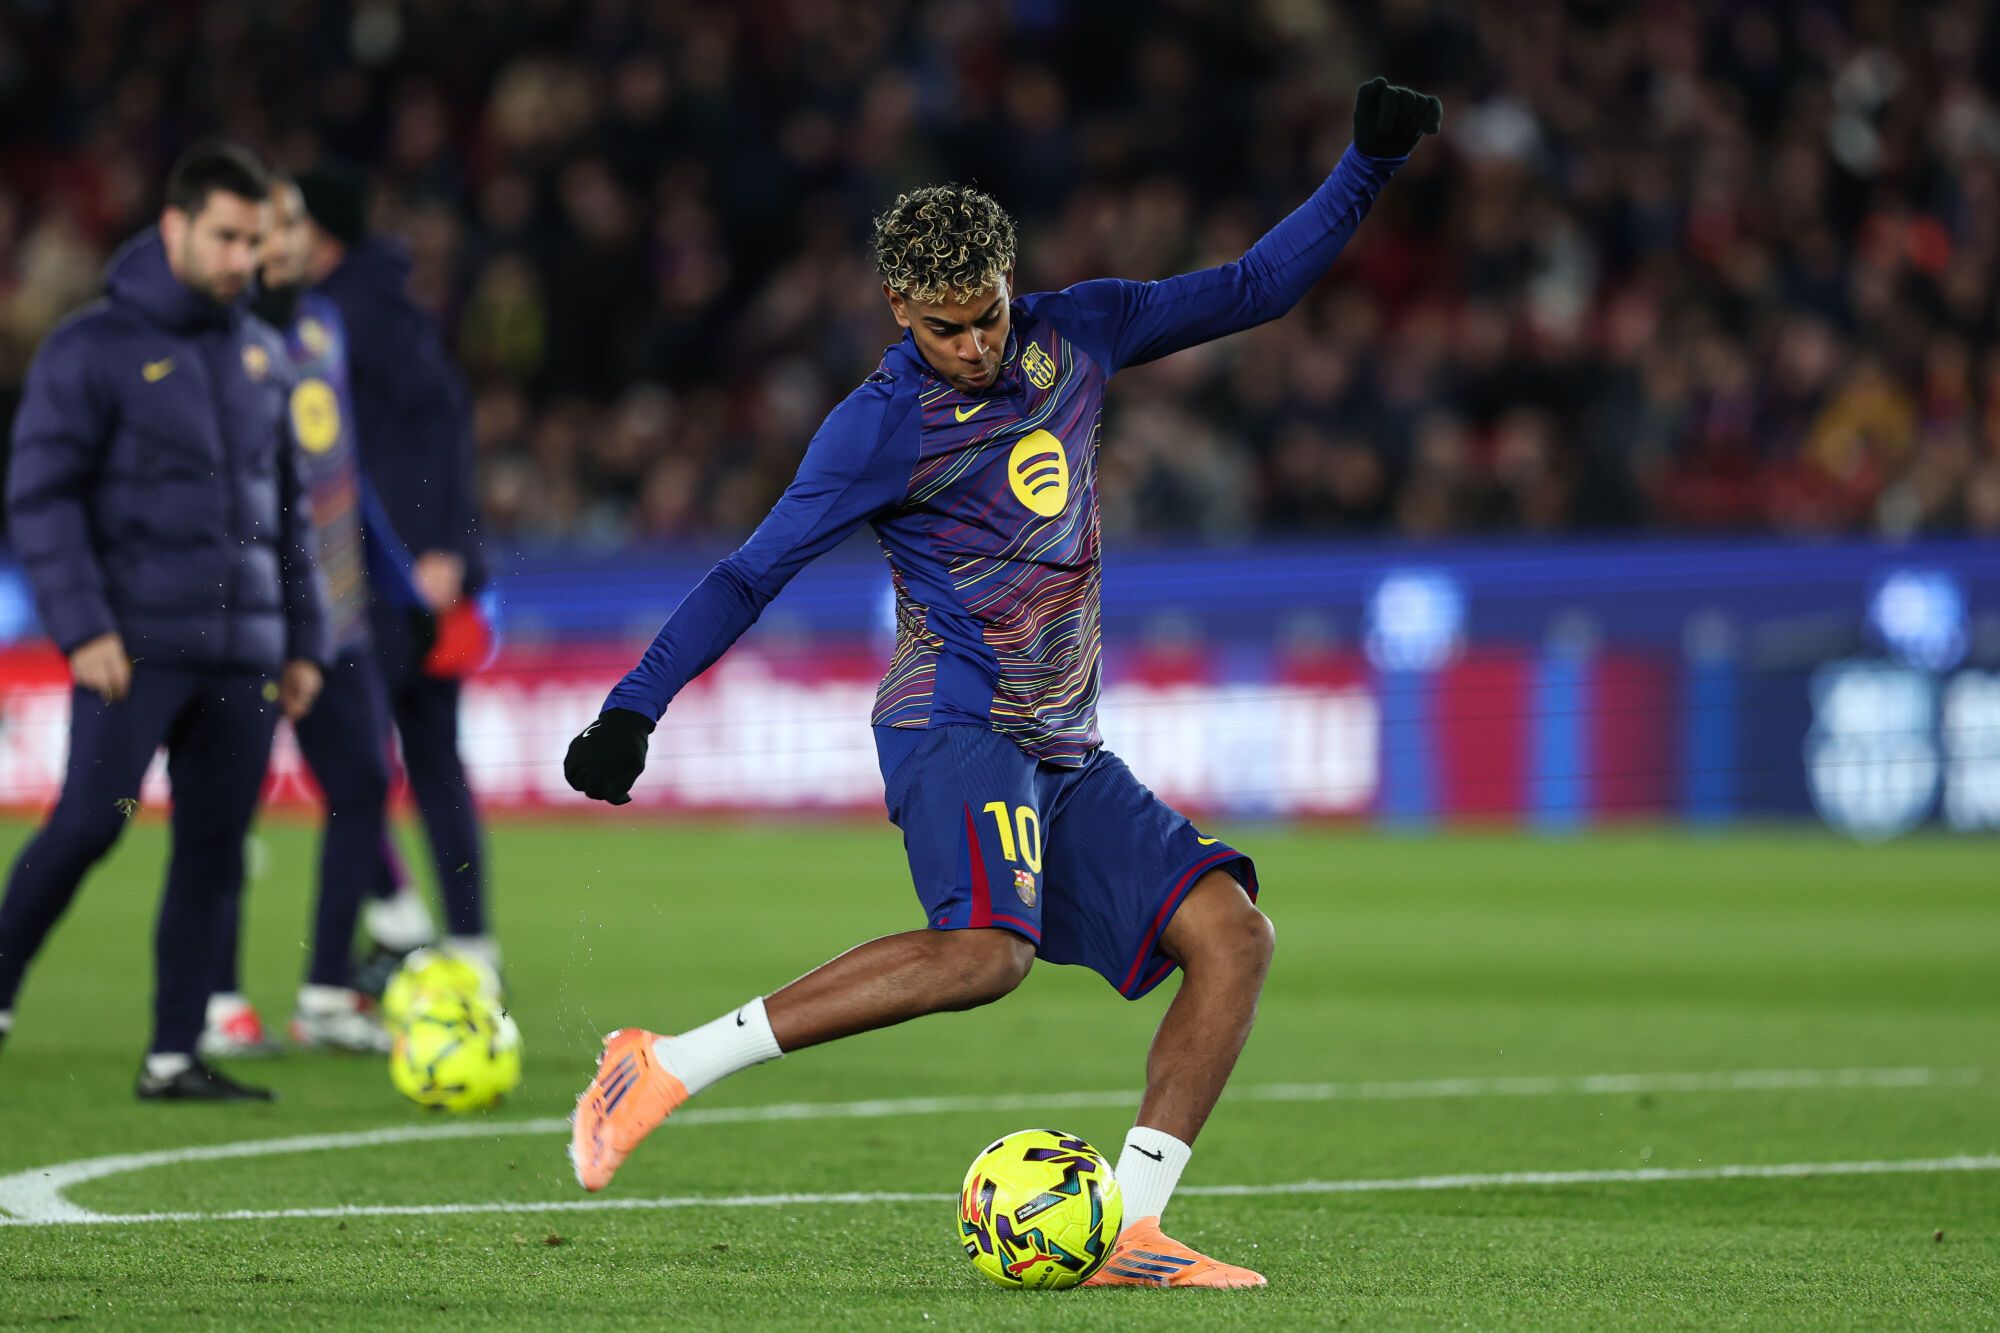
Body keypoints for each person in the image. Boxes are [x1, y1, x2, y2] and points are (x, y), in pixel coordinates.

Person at [562, 80, 1443, 1285]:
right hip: (952, 716)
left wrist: (1365, 167)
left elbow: (1253, 288)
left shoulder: (1079, 329)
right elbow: (747, 572)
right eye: (944, 328)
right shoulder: (875, 428)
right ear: (898, 311)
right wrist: (634, 705)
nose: (972, 345)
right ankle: (662, 1062)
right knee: (984, 951)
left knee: (1232, 936)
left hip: (1060, 738)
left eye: (984, 317)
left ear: (1007, 284)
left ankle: (1127, 1226)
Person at [0, 142, 328, 1100]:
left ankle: (176, 1052)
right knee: (86, 827)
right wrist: (82, 624)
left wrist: (304, 638)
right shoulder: (90, 348)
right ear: (176, 228)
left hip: (244, 654)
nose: (242, 259)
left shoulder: (262, 355)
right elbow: (42, 497)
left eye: (255, 241)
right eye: (227, 237)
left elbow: (291, 512)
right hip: (133, 647)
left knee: (216, 850)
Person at [201, 173, 436, 1057]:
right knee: (225, 804)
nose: (288, 241)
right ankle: (217, 998)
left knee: (365, 789)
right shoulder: (221, 342)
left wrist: (398, 581)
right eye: (271, 228)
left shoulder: (323, 326)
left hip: (337, 616)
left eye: (297, 223)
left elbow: (343, 470)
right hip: (251, 616)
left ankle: (328, 993)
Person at [291, 162, 496, 974]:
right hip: (400, 569)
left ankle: (405, 923)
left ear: (320, 233)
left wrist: (438, 546)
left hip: (387, 578)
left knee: (354, 759)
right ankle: (466, 941)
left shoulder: (347, 312)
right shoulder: (377, 303)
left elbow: (439, 418)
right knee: (428, 760)